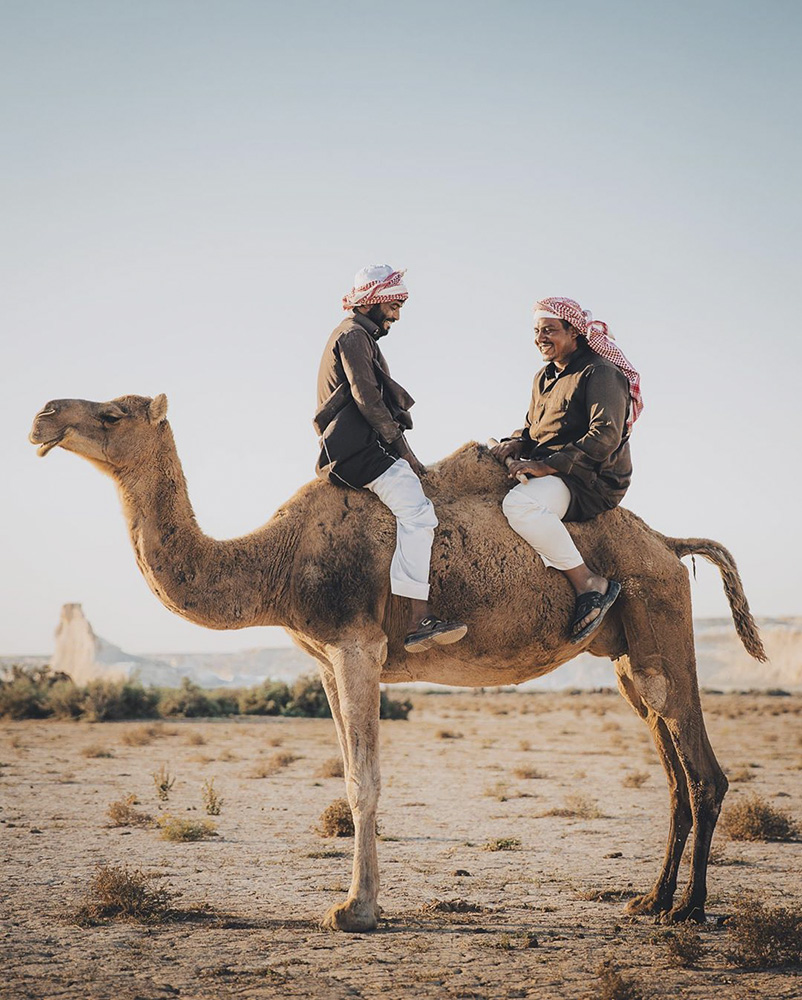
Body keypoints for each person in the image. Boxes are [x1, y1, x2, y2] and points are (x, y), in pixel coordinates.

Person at [314, 264, 467, 653]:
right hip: (355, 453)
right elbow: (367, 400)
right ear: (375, 301)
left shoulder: (358, 336)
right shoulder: (352, 337)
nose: (396, 315)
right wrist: (405, 452)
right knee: (418, 513)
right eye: (394, 306)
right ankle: (419, 617)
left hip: (362, 447)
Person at [491, 296, 643, 643]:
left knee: (520, 506)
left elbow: (605, 436)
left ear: (574, 331)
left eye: (549, 330)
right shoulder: (543, 377)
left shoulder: (601, 372)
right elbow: (534, 430)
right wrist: (515, 443)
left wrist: (546, 465)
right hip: (557, 470)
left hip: (589, 480)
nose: (540, 338)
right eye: (536, 331)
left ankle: (588, 582)